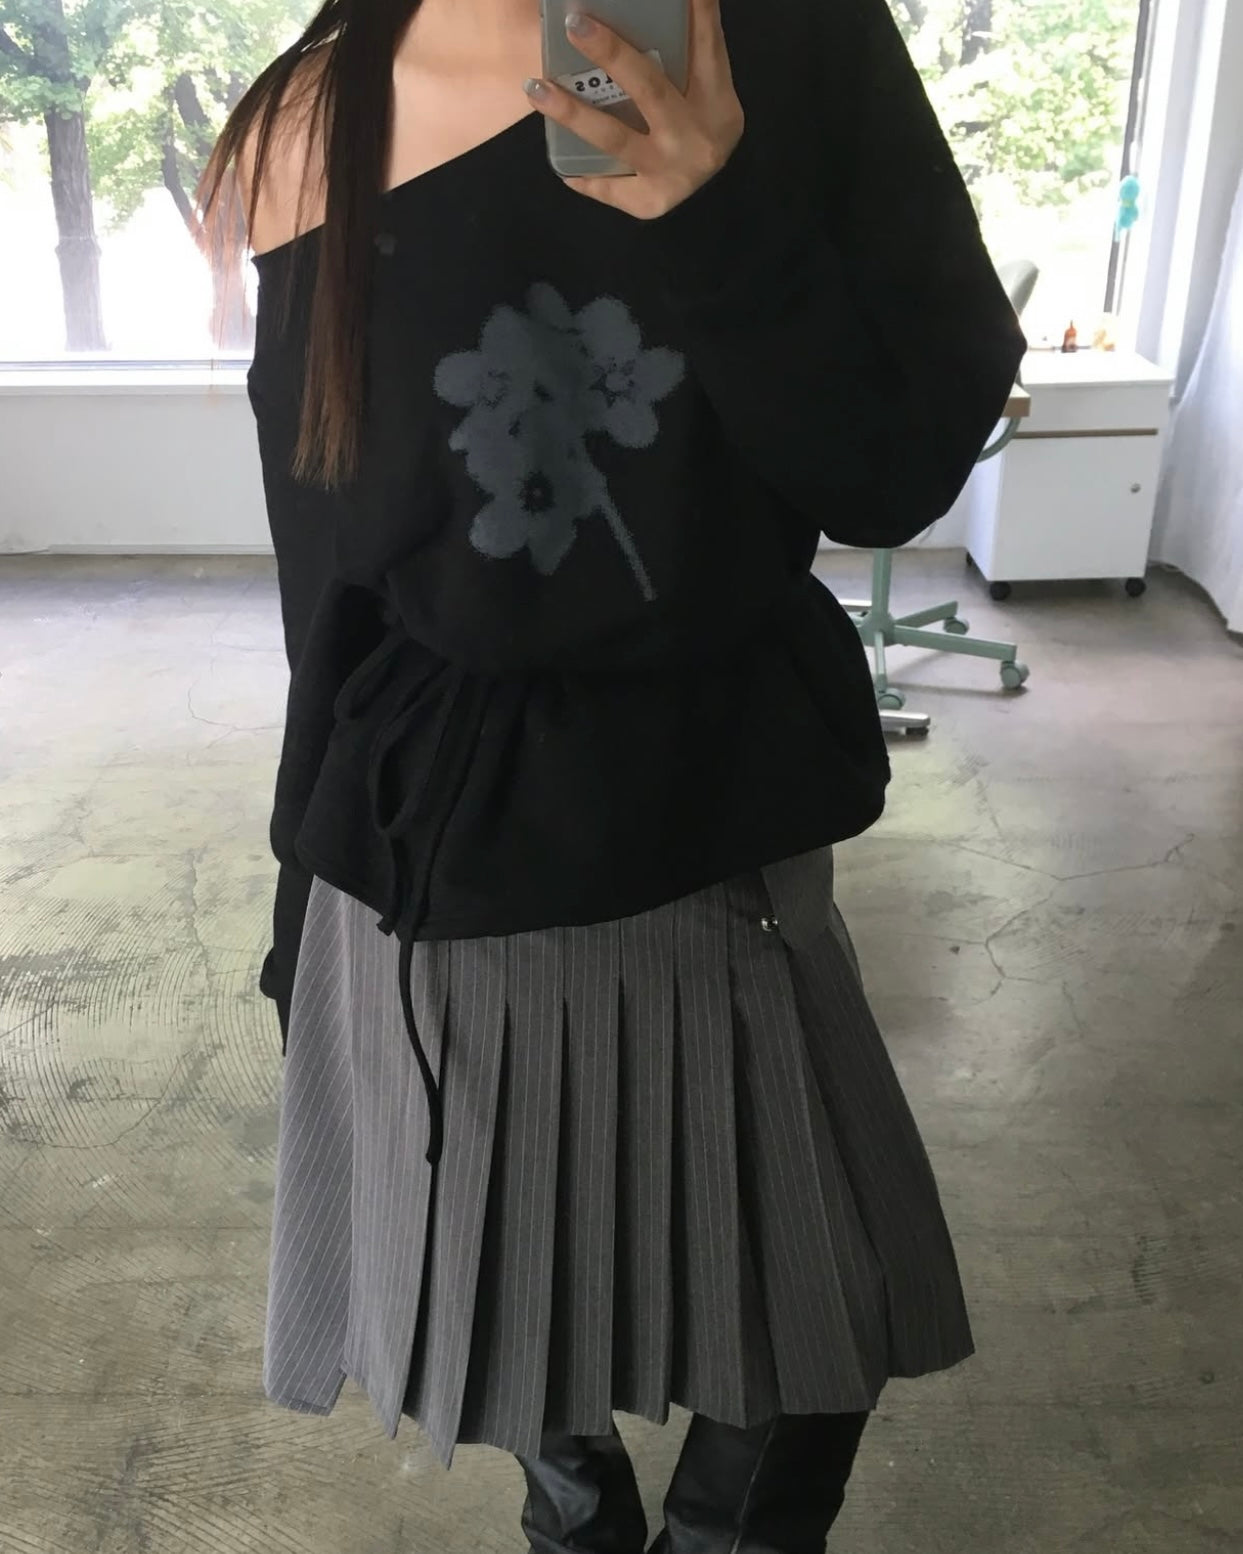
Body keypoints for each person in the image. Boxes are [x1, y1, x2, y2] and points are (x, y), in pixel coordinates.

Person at [201, 0, 1025, 1548]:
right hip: (442, 864)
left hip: (721, 824)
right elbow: (334, 582)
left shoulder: (789, 37)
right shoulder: (317, 111)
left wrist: (721, 215)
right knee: (512, 1316)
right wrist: (300, 889)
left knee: (823, 1316)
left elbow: (898, 466)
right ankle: (575, 1525)